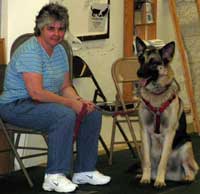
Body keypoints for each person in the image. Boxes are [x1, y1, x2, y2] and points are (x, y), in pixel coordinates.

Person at [0, 3, 111, 193]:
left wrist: (79, 101)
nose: (56, 34)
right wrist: (71, 104)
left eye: (61, 29)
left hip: (40, 103)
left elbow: (65, 86)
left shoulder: (60, 50)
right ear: (40, 29)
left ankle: (85, 170)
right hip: (15, 106)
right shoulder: (31, 51)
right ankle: (53, 176)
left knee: (92, 113)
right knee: (64, 115)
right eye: (51, 28)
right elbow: (36, 92)